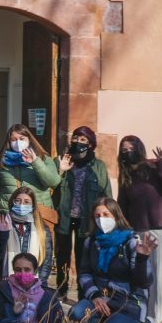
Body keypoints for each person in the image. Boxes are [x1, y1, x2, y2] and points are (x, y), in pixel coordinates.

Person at [69, 198, 158, 323]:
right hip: (102, 299)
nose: (101, 219)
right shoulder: (91, 242)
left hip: (127, 303)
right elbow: (85, 273)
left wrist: (142, 259)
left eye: (106, 214)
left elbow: (143, 282)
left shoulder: (131, 242)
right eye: (97, 216)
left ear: (116, 216)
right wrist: (94, 295)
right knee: (75, 314)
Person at [116, 136, 162, 323]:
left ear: (139, 148)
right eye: (124, 149)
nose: (128, 152)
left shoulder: (155, 167)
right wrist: (122, 228)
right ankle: (147, 316)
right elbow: (123, 203)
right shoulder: (126, 175)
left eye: (131, 148)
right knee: (144, 274)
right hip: (139, 229)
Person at [54, 126, 112, 298]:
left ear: (91, 144)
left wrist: (107, 218)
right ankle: (61, 290)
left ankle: (82, 294)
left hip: (86, 220)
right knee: (62, 255)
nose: (78, 142)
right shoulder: (62, 161)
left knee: (83, 257)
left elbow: (106, 194)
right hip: (65, 216)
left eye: (83, 140)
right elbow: (51, 185)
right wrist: (60, 170)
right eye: (75, 138)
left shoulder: (98, 166)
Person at [0, 252, 65, 323]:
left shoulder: (47, 295)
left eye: (27, 269)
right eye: (18, 270)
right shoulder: (4, 289)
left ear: (35, 271)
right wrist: (14, 312)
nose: (22, 273)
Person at [0, 124, 61, 226]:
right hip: (8, 215)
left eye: (22, 138)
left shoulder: (43, 158)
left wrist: (35, 162)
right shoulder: (2, 162)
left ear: (29, 139)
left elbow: (53, 182)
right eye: (13, 139)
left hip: (38, 215)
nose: (18, 142)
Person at [0, 186, 53, 285]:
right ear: (12, 203)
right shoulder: (2, 223)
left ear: (33, 205)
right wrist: (3, 233)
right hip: (6, 284)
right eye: (18, 201)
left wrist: (42, 283)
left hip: (33, 285)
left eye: (26, 202)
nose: (21, 205)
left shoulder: (41, 228)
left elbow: (46, 260)